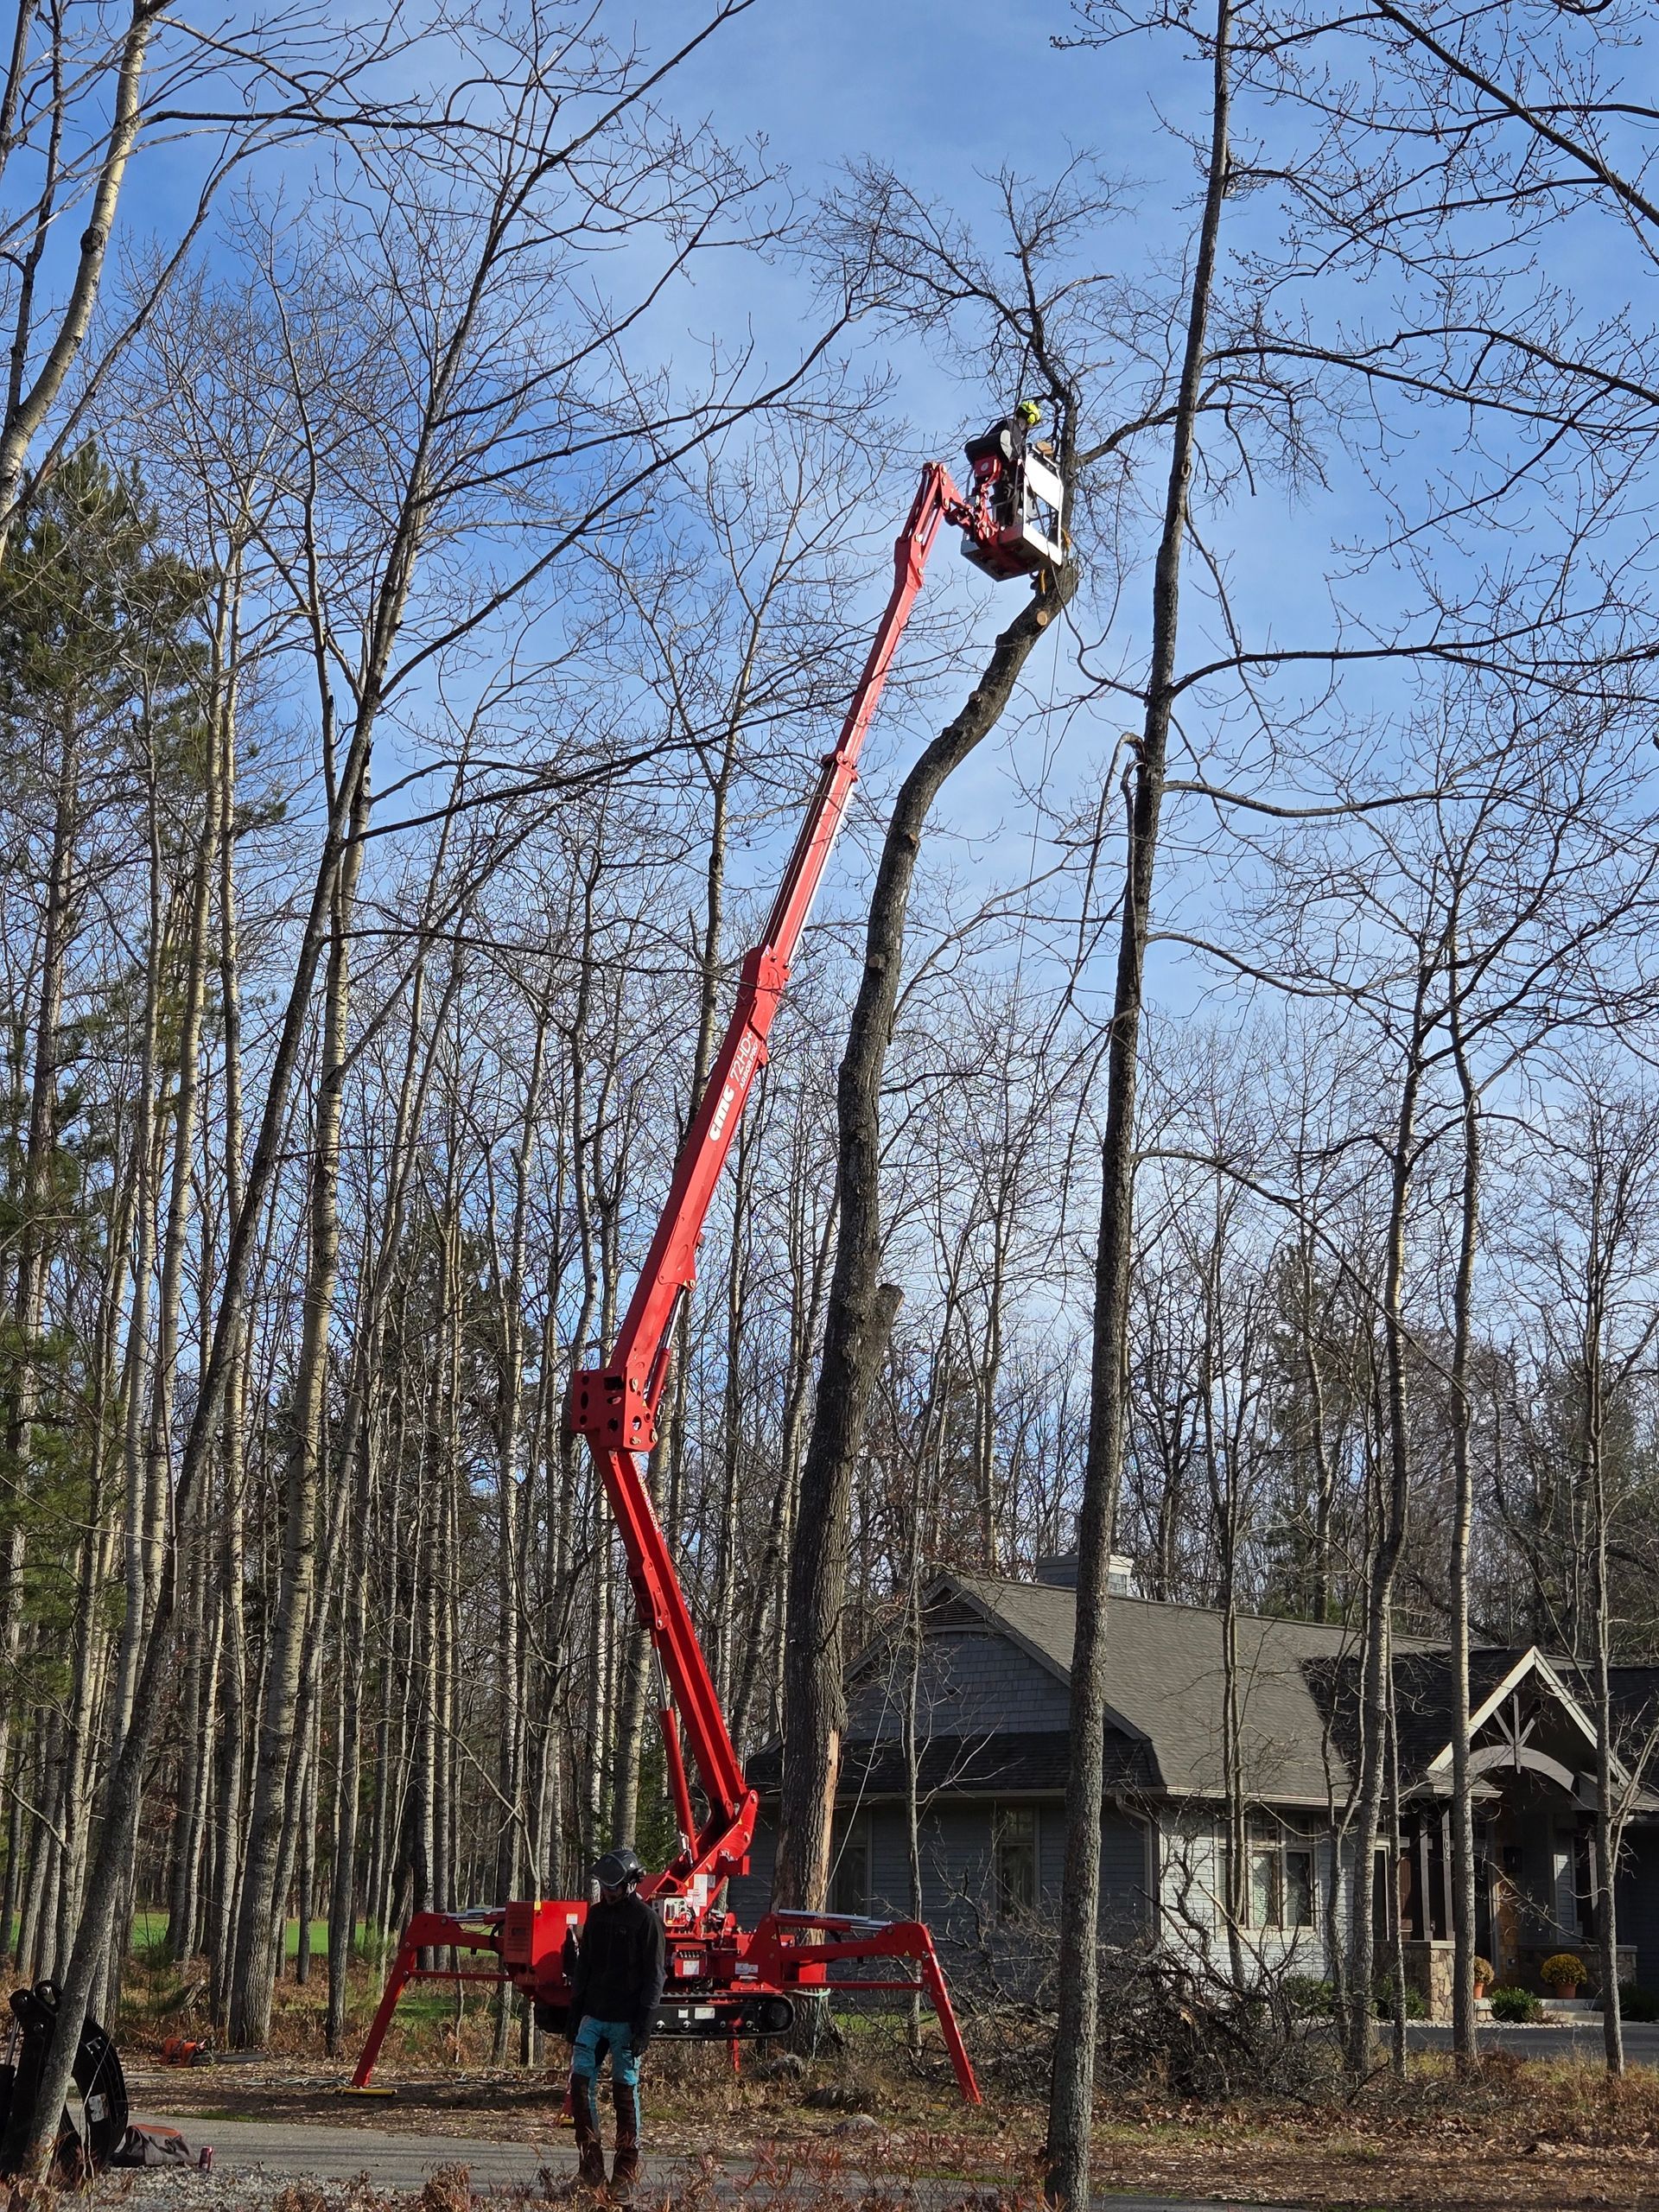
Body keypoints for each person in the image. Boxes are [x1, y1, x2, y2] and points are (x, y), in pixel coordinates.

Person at [565, 1845, 665, 2195]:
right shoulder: (596, 1916)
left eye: (613, 1886)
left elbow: (655, 1978)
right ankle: (590, 2170)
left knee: (624, 2094)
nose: (606, 1893)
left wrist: (645, 2026)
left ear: (630, 1884)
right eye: (603, 1886)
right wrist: (575, 2012)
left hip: (626, 2022)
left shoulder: (646, 1921)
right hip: (593, 2016)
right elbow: (585, 1967)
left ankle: (624, 2176)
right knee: (579, 2088)